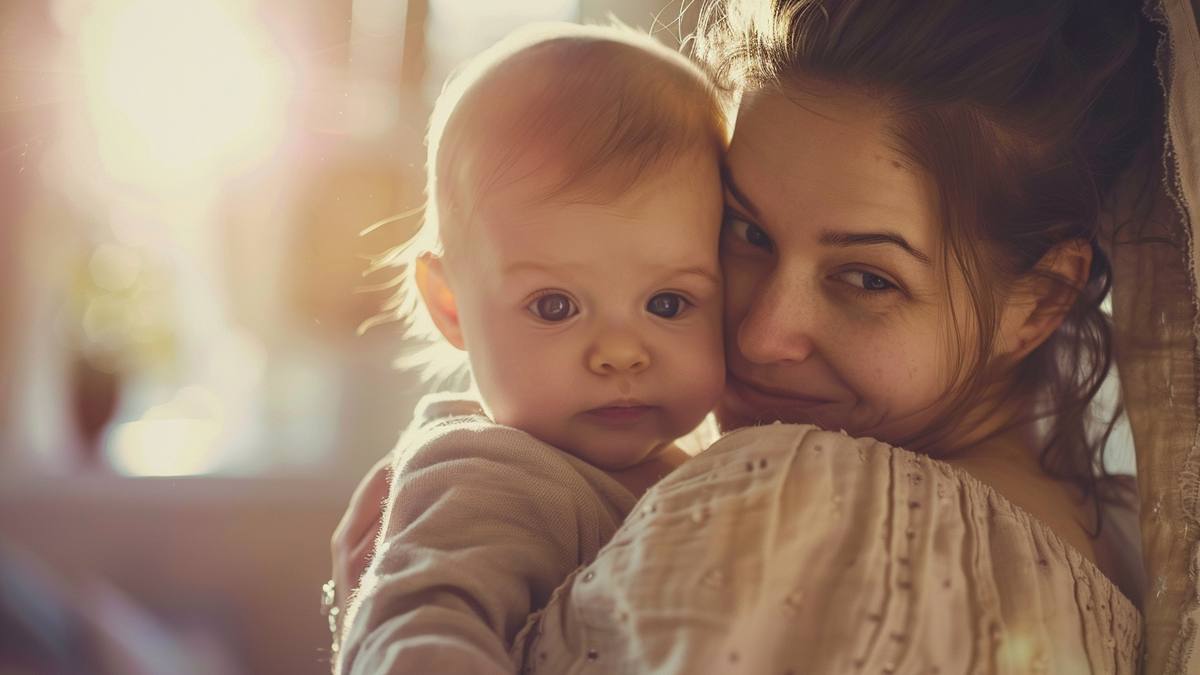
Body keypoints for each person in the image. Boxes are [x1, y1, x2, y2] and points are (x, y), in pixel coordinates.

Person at [333, 0, 1164, 672]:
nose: (762, 335)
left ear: (1041, 298)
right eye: (745, 233)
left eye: (868, 278)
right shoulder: (1144, 544)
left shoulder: (791, 500)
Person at [333, 22, 729, 674]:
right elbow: (415, 627)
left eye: (668, 303)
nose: (621, 353)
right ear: (450, 304)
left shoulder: (705, 466)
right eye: (555, 306)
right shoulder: (488, 471)